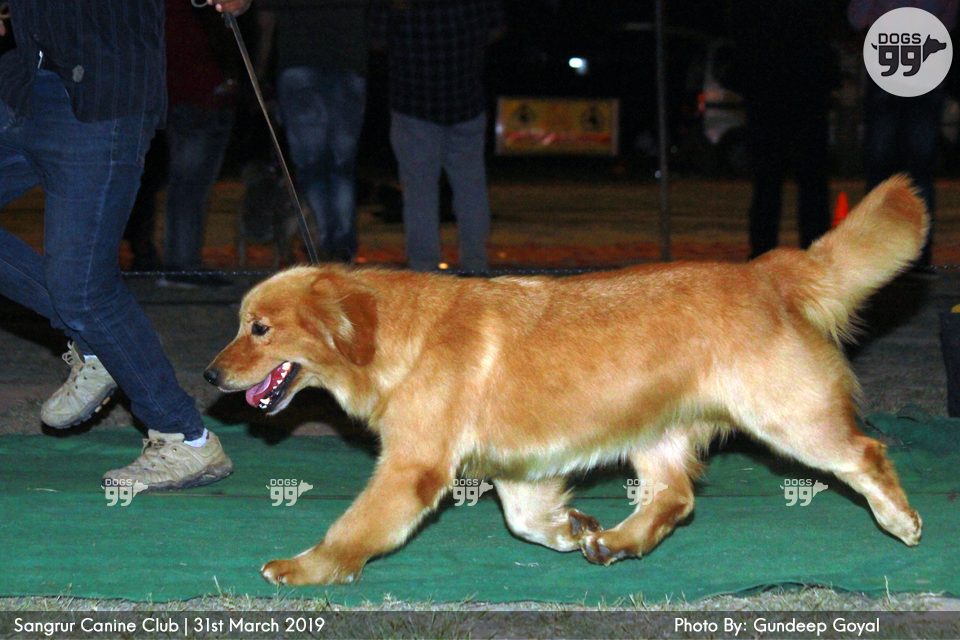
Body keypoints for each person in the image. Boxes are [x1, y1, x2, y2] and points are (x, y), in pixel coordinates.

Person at [0, 0, 249, 490]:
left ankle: (184, 438)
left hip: (102, 92)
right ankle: (97, 347)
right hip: (23, 80)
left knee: (83, 290)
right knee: (79, 297)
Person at [370, 0, 504, 273]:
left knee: (420, 191)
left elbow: (376, 38)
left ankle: (424, 266)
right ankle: (475, 262)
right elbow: (497, 26)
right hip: (465, 100)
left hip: (414, 104)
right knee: (470, 186)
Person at [128, 0, 240, 288]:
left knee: (182, 185)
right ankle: (181, 264)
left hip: (177, 95)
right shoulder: (187, 11)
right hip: (200, 95)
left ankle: (178, 261)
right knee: (190, 186)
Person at [848, 0, 958, 270]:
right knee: (919, 172)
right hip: (924, 62)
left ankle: (878, 254)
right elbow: (949, 18)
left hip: (889, 58)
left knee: (881, 169)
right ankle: (918, 257)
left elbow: (857, 17)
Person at [260, 0, 369, 264]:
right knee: (342, 166)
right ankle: (341, 246)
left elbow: (266, 18)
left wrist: (260, 68)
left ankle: (320, 243)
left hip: (299, 62)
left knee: (311, 166)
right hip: (348, 62)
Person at [729, 0, 840, 259]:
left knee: (771, 181)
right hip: (801, 80)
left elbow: (739, 23)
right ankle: (806, 251)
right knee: (806, 180)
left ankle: (765, 251)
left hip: (770, 79)